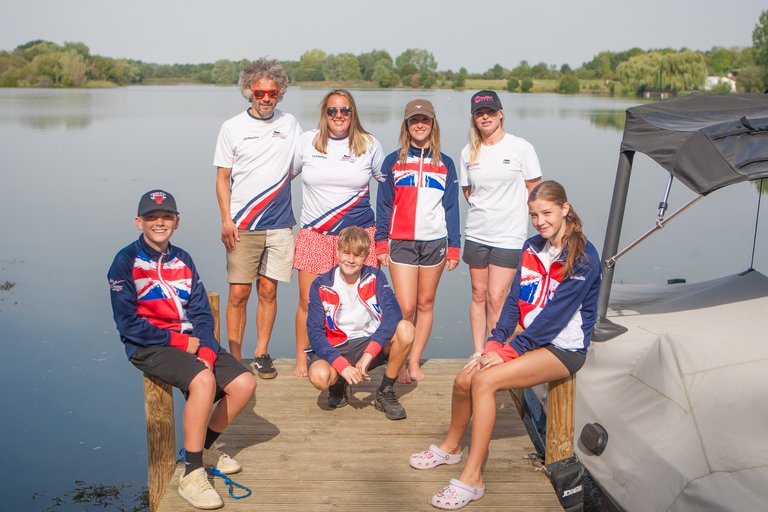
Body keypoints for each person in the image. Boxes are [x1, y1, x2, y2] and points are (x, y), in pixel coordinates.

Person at [409, 181, 600, 510]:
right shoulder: (530, 247)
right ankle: (452, 447)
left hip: (563, 349)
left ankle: (473, 479)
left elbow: (554, 320)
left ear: (565, 209)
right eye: (534, 215)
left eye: (547, 213)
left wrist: (507, 353)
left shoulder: (583, 259)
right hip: (532, 341)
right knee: (465, 376)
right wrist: (493, 344)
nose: (540, 221)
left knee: (484, 381)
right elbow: (513, 303)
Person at [108, 190, 256, 510]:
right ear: (139, 222)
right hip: (150, 345)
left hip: (191, 340)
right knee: (203, 381)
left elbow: (201, 313)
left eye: (166, 217)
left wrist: (206, 349)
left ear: (177, 221)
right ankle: (192, 473)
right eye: (151, 217)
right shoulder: (124, 262)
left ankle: (203, 448)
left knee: (245, 384)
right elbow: (128, 325)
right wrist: (180, 343)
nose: (159, 223)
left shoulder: (184, 259)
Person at [213, 58, 302, 379]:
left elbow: (300, 165)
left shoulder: (290, 124)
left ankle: (262, 352)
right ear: (249, 92)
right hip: (242, 225)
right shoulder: (232, 128)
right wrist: (226, 219)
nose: (266, 98)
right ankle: (236, 357)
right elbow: (222, 178)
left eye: (272, 93)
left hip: (279, 225)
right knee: (239, 293)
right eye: (260, 92)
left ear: (280, 93)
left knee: (268, 291)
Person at [291, 89, 384, 378]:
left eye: (345, 110)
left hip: (357, 238)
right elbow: (283, 176)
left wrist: (387, 237)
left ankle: (363, 357)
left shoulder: (369, 144)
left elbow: (389, 189)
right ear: (325, 114)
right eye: (332, 111)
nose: (339, 116)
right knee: (309, 301)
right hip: (316, 235)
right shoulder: (306, 142)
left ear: (353, 113)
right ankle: (302, 358)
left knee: (364, 299)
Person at [375, 98, 461, 382]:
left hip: (435, 243)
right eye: (414, 120)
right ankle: (397, 361)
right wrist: (380, 242)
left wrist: (454, 246)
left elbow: (451, 207)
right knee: (406, 307)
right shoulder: (393, 162)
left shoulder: (446, 164)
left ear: (433, 124)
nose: (420, 125)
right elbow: (384, 205)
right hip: (401, 242)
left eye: (424, 120)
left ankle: (413, 362)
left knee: (426, 303)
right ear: (407, 125)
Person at [459, 90, 542, 356]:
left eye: (490, 112)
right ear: (474, 118)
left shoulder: (521, 148)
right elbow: (468, 191)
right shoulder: (468, 152)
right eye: (480, 113)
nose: (485, 117)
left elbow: (535, 191)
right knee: (478, 294)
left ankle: (495, 353)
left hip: (509, 235)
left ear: (501, 114)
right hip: (476, 233)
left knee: (497, 297)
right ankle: (477, 352)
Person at [306, 226, 415, 420]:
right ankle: (338, 383)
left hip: (368, 342)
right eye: (346, 253)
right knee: (320, 377)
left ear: (365, 257)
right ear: (337, 251)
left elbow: (393, 314)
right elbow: (315, 334)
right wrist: (341, 365)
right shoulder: (320, 284)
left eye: (357, 255)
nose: (350, 259)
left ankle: (385, 391)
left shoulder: (376, 277)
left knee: (406, 329)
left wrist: (369, 354)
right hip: (336, 345)